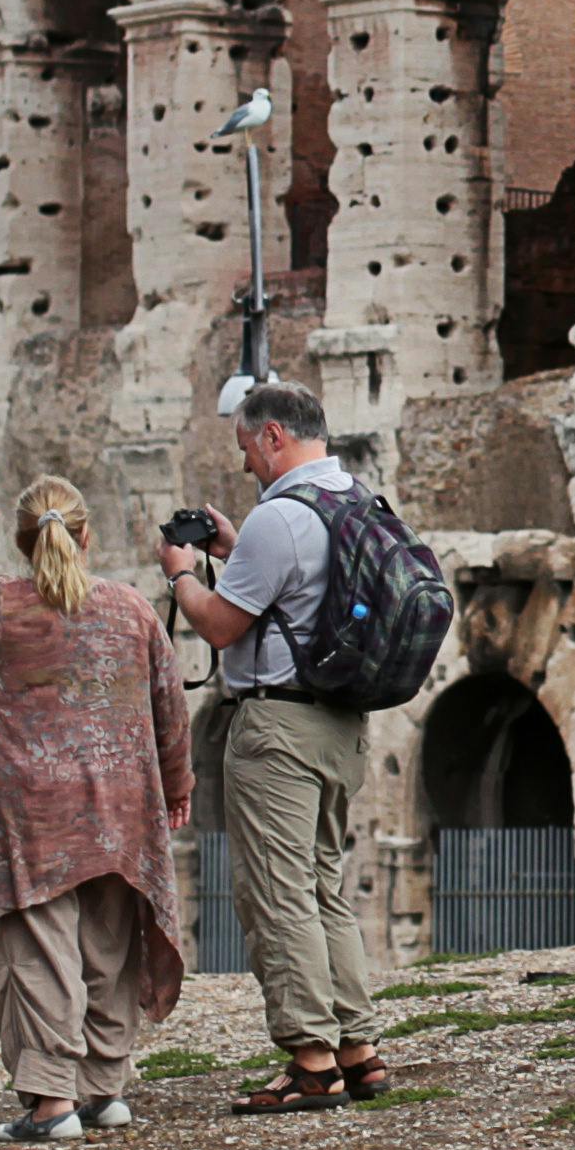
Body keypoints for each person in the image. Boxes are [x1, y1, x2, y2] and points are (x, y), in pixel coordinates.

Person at [0, 471, 196, 1144]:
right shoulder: (131, 609)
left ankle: (51, 1103)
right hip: (118, 811)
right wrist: (176, 787)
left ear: (20, 541)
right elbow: (169, 705)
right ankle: (104, 1089)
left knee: (36, 953)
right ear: (86, 535)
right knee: (107, 949)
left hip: (26, 817)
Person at [162, 380, 391, 1112]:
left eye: (246, 450)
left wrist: (182, 574)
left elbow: (222, 625)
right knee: (325, 883)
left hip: (279, 728)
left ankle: (311, 1059)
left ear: (271, 437)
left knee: (276, 891)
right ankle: (358, 1046)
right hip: (341, 722)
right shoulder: (358, 501)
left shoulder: (277, 518)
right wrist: (235, 551)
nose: (247, 468)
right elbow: (299, 598)